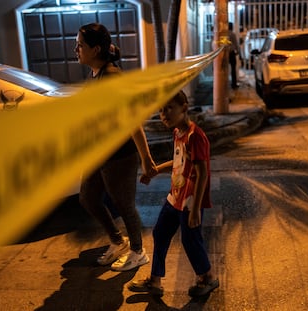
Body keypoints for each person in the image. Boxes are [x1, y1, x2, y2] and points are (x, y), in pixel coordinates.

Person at [75, 22, 157, 271]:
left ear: (96, 49)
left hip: (119, 155)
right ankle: (116, 241)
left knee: (124, 204)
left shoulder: (111, 77)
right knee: (88, 198)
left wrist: (146, 158)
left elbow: (133, 120)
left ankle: (138, 251)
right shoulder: (95, 73)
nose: (75, 49)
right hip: (98, 152)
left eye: (80, 45)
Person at [128, 90, 219, 297]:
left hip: (189, 199)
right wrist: (155, 170)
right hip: (175, 195)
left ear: (184, 108)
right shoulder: (178, 133)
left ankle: (207, 278)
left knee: (190, 240)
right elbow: (179, 163)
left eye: (169, 108)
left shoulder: (196, 136)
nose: (164, 114)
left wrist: (196, 209)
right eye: (160, 110)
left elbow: (202, 172)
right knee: (160, 232)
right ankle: (155, 281)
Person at [228, 22, 240, 89]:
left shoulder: (225, 34)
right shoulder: (232, 34)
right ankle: (234, 84)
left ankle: (224, 84)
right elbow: (235, 43)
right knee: (233, 69)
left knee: (224, 70)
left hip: (225, 53)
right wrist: (237, 51)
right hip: (231, 53)